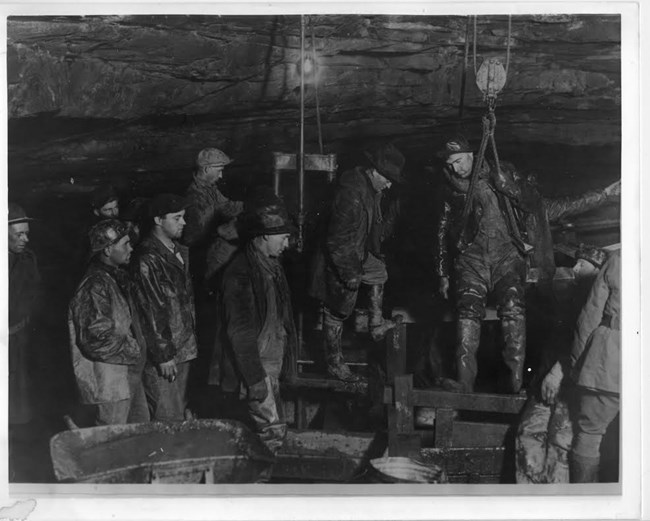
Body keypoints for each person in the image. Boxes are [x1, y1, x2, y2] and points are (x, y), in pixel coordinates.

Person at [435, 134, 620, 394]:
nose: (456, 168)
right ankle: (464, 383)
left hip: (507, 258)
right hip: (471, 260)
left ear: (472, 155)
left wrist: (604, 194)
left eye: (459, 161)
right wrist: (443, 272)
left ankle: (515, 384)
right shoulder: (451, 188)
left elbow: (558, 204)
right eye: (451, 163)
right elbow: (443, 229)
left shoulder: (507, 176)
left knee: (513, 312)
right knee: (467, 313)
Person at [309, 143, 406, 382]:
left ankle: (375, 323)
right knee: (337, 309)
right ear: (373, 171)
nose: (390, 184)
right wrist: (350, 273)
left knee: (378, 271)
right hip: (338, 259)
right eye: (387, 178)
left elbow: (372, 230)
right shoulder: (351, 193)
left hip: (358, 252)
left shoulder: (372, 190)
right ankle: (334, 363)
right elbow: (337, 240)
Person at [208, 200, 297, 452]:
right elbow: (239, 331)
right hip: (257, 365)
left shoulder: (271, 266)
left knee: (274, 427)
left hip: (271, 361)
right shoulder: (240, 273)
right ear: (265, 236)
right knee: (271, 432)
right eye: (283, 238)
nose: (287, 244)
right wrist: (254, 378)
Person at [515, 244, 607, 483]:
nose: (575, 269)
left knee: (562, 445)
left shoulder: (600, 303)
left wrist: (558, 371)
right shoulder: (570, 300)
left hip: (572, 388)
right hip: (546, 383)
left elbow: (585, 343)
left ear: (598, 270)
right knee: (528, 435)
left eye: (582, 264)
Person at [68, 220, 149, 425]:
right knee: (111, 444)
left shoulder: (113, 277)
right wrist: (134, 348)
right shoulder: (94, 285)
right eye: (125, 244)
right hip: (109, 382)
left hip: (125, 376)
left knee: (138, 435)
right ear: (107, 249)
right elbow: (96, 338)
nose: (131, 248)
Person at [131, 194, 198, 421]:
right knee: (167, 416)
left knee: (178, 411)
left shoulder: (178, 251)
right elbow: (150, 309)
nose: (184, 223)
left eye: (184, 217)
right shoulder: (147, 259)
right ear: (158, 220)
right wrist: (163, 354)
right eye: (177, 218)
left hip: (183, 345)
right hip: (165, 353)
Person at [568, 249, 621, 482]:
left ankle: (587, 505)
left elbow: (589, 317)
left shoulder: (619, 258)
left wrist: (576, 365)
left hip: (609, 357)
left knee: (590, 435)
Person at [183, 147, 244, 284]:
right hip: (199, 257)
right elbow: (197, 237)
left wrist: (249, 206)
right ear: (206, 169)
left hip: (207, 250)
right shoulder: (195, 198)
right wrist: (224, 230)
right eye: (219, 171)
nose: (221, 175)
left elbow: (226, 206)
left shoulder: (209, 189)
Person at [8, 202, 40, 426]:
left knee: (19, 394)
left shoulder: (28, 259)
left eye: (26, 234)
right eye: (19, 235)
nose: (25, 239)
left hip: (19, 336)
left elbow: (35, 294)